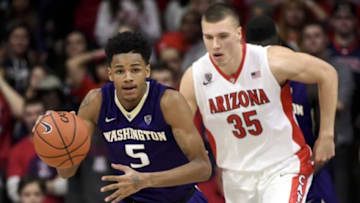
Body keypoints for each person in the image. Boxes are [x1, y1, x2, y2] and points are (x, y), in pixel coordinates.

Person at [179, 3, 338, 203]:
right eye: (208, 37)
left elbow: (327, 73)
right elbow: (178, 126)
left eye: (223, 36)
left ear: (238, 34)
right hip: (236, 176)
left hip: (282, 167)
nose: (216, 45)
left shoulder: (269, 59)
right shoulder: (195, 76)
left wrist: (326, 135)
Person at [39, 31, 211, 203]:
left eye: (135, 70)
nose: (128, 78)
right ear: (110, 74)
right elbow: (66, 172)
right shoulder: (96, 102)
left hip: (179, 199)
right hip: (132, 199)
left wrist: (146, 180)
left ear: (147, 71)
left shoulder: (168, 102)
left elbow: (203, 168)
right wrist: (57, 138)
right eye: (120, 71)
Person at [245, 15, 340, 203]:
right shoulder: (242, 85)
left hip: (310, 173)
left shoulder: (307, 80)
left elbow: (327, 141)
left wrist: (325, 139)